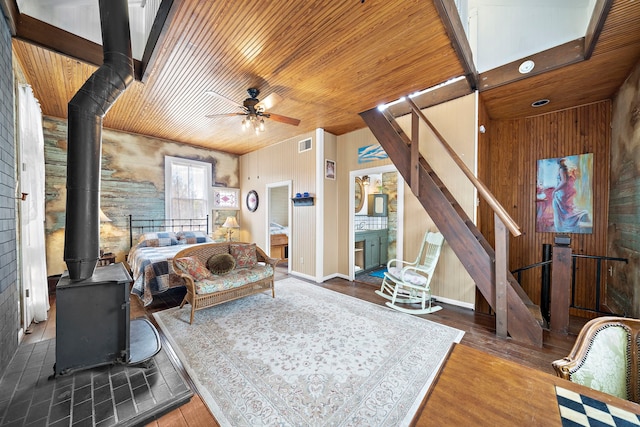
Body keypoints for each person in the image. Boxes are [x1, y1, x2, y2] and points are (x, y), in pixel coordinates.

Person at [552, 158, 589, 232]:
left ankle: (561, 228)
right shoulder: (568, 170)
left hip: (562, 192)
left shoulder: (562, 170)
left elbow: (564, 181)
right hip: (566, 191)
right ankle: (565, 226)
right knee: (566, 209)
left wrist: (555, 190)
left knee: (560, 210)